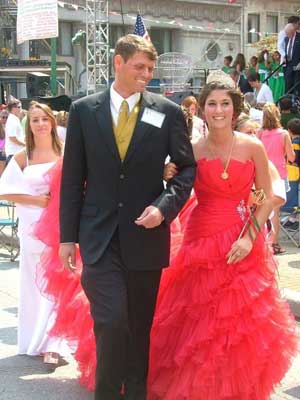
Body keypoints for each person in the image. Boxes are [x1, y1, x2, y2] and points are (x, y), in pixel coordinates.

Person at [59, 34, 196, 400]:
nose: (147, 74)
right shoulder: (84, 110)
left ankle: (135, 394)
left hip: (145, 238)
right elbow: (72, 178)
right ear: (117, 63)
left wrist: (163, 209)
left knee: (138, 327)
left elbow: (185, 170)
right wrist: (66, 238)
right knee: (112, 319)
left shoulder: (166, 112)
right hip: (98, 237)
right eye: (140, 67)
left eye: (150, 69)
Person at [147, 72, 298, 400]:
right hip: (201, 237)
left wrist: (249, 237)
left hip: (243, 239)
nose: (218, 110)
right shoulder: (192, 150)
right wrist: (166, 173)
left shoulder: (253, 146)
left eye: (225, 104)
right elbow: (179, 189)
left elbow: (269, 196)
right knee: (198, 320)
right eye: (212, 104)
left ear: (235, 107)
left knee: (237, 321)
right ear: (202, 109)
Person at [0, 102, 69, 364]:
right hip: (31, 229)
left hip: (60, 228)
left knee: (59, 283)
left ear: (52, 123)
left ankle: (53, 345)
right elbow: (4, 190)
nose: (40, 124)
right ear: (29, 125)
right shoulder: (23, 156)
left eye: (44, 119)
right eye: (35, 120)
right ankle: (33, 340)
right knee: (33, 284)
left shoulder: (65, 153)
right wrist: (36, 201)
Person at [257, 103, 295, 254]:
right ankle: (274, 243)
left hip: (262, 174)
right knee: (275, 212)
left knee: (261, 209)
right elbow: (291, 157)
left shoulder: (259, 132)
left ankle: (260, 242)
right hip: (279, 175)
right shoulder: (283, 134)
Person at [5, 98, 25, 164]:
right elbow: (12, 138)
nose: (21, 109)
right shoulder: (12, 121)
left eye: (21, 106)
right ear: (13, 108)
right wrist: (24, 144)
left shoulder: (14, 119)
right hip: (13, 154)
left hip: (15, 153)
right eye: (19, 107)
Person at [284, 23, 300, 96]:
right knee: (288, 86)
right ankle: (288, 104)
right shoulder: (286, 39)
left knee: (296, 88)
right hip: (289, 66)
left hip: (298, 66)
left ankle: (296, 104)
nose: (286, 35)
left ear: (293, 31)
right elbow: (286, 50)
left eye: (288, 33)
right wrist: (285, 57)